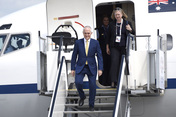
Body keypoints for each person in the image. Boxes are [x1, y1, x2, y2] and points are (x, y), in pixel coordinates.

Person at [71, 26, 103, 111]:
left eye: (88, 33)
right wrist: (72, 68)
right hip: (80, 66)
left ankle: (91, 105)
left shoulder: (95, 43)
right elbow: (74, 56)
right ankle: (82, 96)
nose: (87, 35)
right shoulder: (78, 42)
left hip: (91, 67)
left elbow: (100, 56)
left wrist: (100, 68)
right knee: (78, 83)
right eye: (85, 33)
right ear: (83, 33)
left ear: (91, 33)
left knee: (92, 86)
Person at [106, 7, 135, 88]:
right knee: (114, 62)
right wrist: (107, 47)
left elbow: (134, 33)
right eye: (116, 15)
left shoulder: (127, 23)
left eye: (118, 14)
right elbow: (108, 36)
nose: (117, 16)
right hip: (114, 46)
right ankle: (113, 81)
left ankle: (126, 81)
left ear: (122, 14)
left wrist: (131, 29)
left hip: (124, 46)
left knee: (125, 62)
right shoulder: (111, 24)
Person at [97, 16, 111, 86]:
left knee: (109, 66)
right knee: (102, 66)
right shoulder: (99, 29)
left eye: (107, 20)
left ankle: (109, 81)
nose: (106, 21)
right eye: (104, 20)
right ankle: (103, 82)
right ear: (102, 21)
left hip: (109, 50)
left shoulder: (111, 28)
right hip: (102, 50)